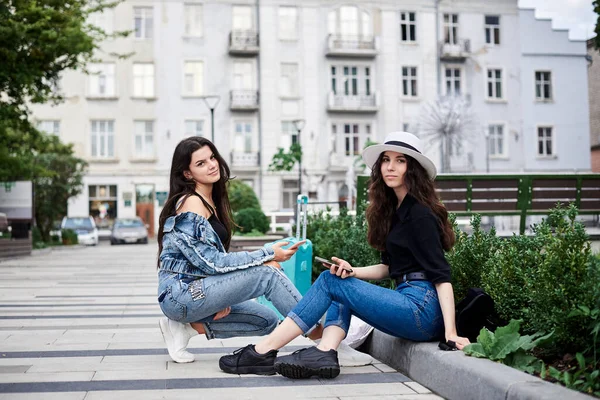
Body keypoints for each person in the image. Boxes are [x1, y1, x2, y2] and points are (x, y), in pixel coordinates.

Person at [219, 131, 471, 379]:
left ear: (412, 169)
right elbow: (388, 268)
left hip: (422, 309)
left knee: (331, 282)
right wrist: (352, 271)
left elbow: (441, 276)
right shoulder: (396, 212)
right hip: (407, 299)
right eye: (386, 160)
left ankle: (263, 351)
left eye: (400, 161)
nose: (390, 167)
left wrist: (451, 332)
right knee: (337, 279)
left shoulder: (420, 214)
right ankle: (325, 352)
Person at [156, 136, 307, 366]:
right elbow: (213, 262)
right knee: (267, 274)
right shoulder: (191, 203)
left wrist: (222, 292)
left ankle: (185, 328)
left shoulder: (211, 201)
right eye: (201, 163)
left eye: (212, 157)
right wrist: (267, 254)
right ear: (187, 174)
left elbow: (208, 261)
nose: (212, 165)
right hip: (181, 294)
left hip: (199, 288)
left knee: (265, 321)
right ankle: (326, 340)